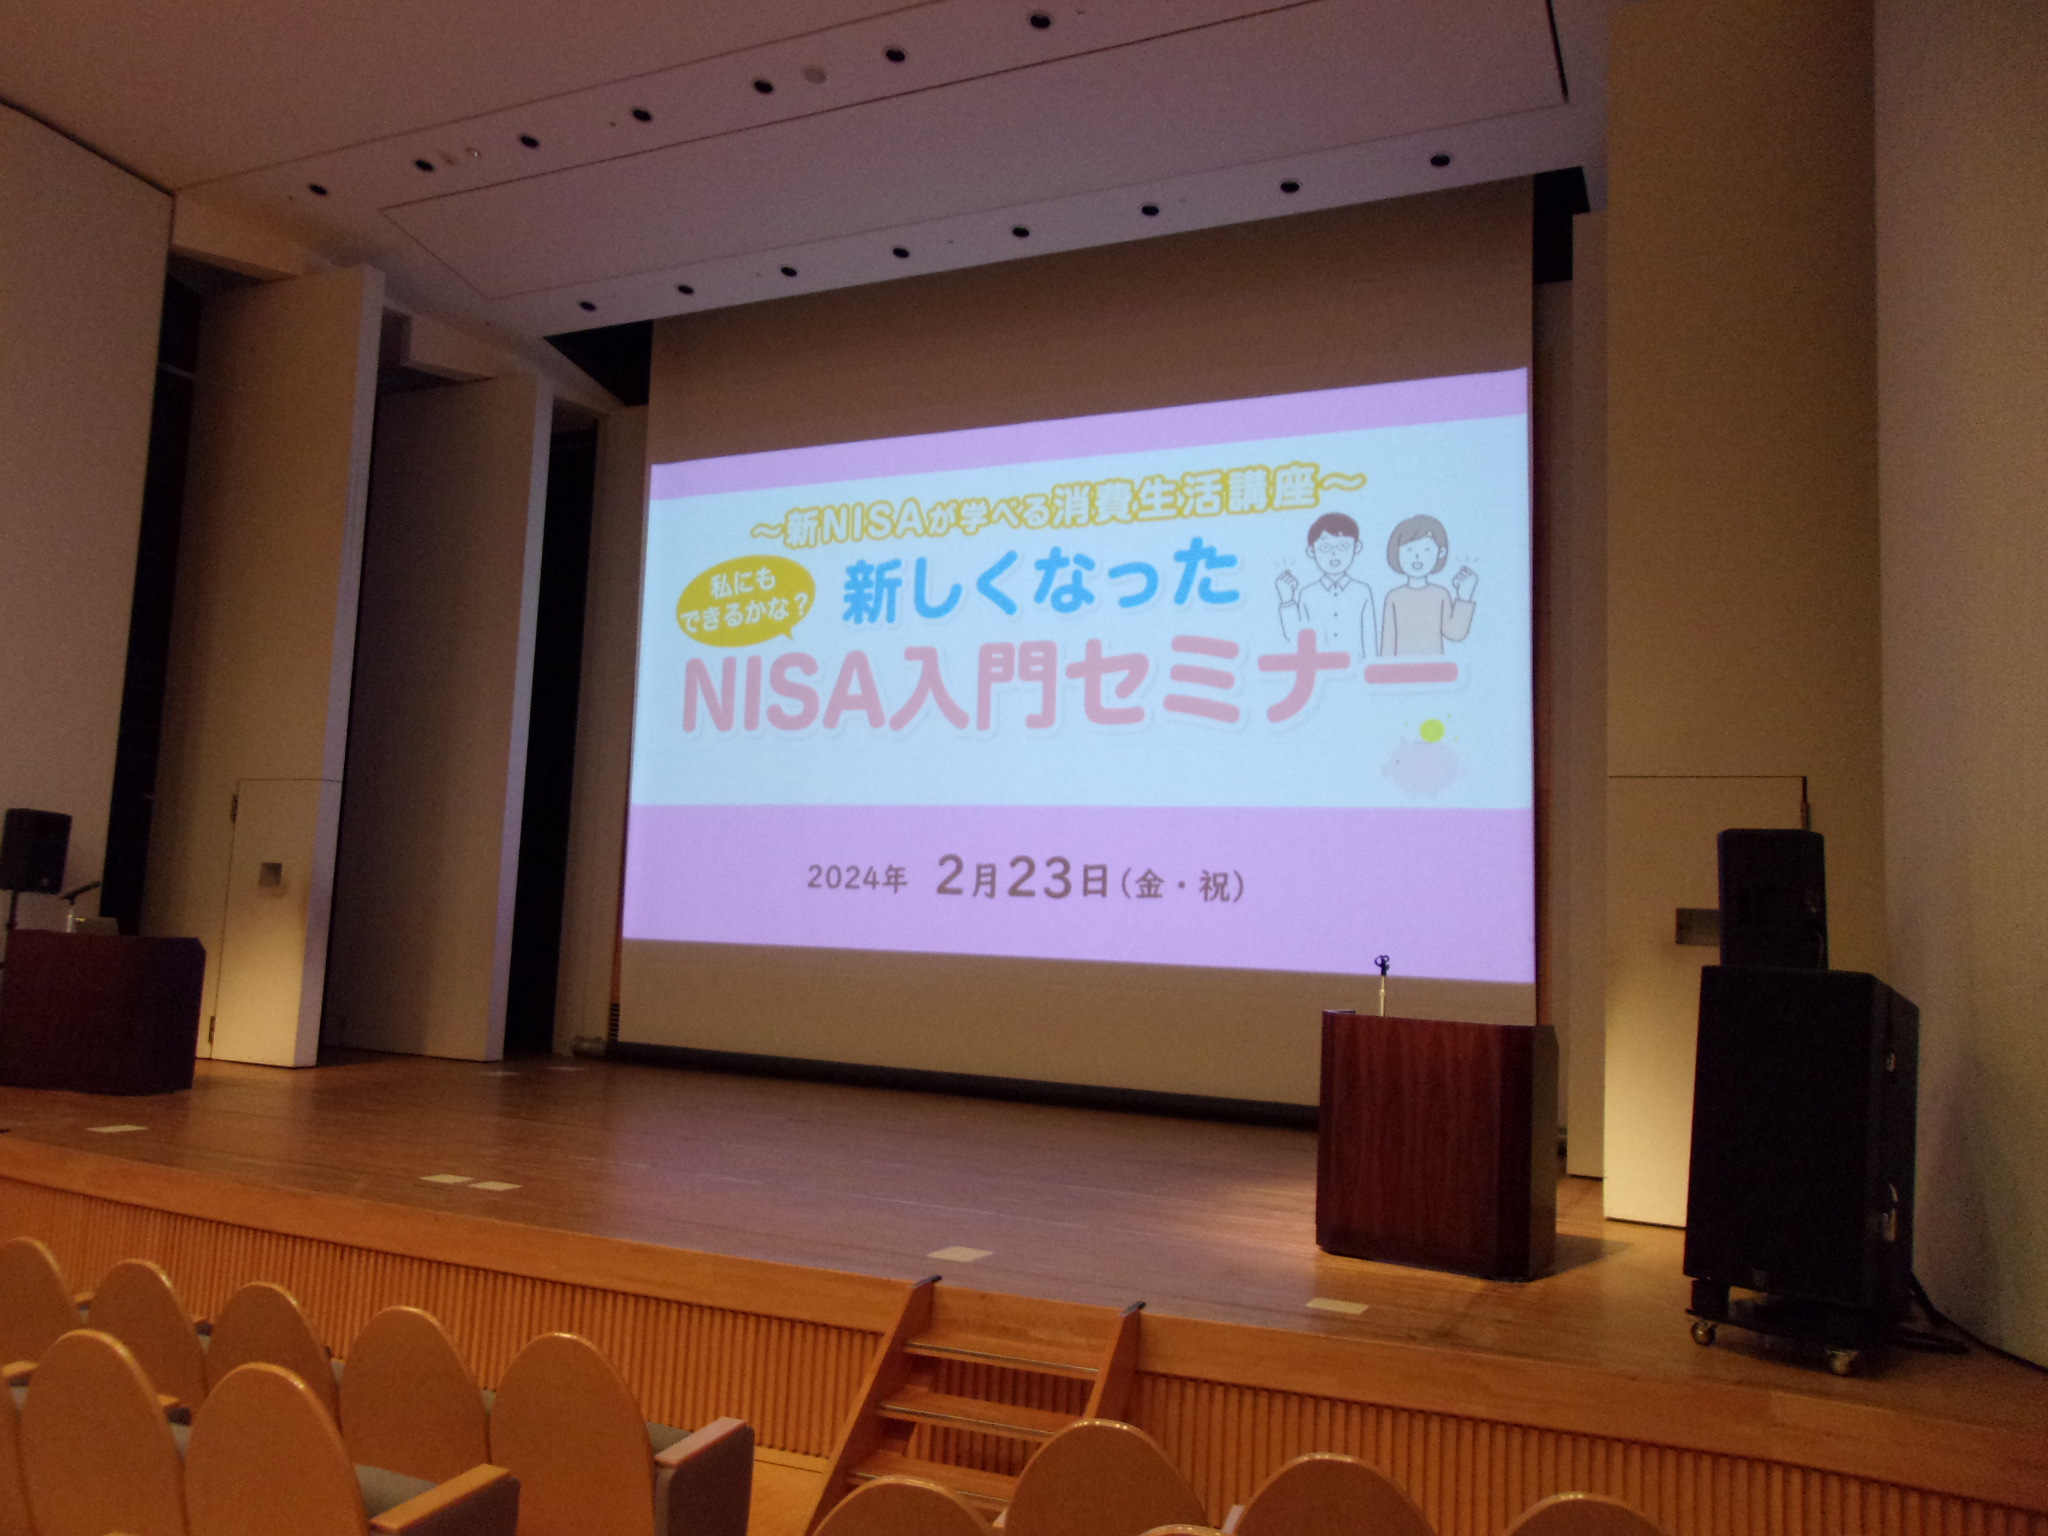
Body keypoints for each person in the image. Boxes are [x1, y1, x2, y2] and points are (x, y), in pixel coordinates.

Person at [1276, 512, 1373, 657]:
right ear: (1312, 551)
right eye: (1325, 547)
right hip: (1319, 667)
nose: (1334, 553)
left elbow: (1369, 638)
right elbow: (1297, 638)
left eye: (1342, 546)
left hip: (1356, 666)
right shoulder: (1308, 594)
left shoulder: (1362, 591)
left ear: (1356, 547)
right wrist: (1287, 600)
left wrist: (1371, 665)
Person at [1378, 514, 1477, 656]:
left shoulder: (1441, 594)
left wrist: (1464, 597)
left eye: (1426, 549)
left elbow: (1454, 633)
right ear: (1397, 553)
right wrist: (1384, 667)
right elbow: (1388, 642)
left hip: (1434, 666)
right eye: (1409, 550)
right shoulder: (1394, 596)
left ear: (1440, 552)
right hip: (1400, 667)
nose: (1417, 556)